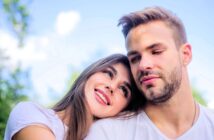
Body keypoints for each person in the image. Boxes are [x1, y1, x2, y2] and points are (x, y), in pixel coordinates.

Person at [85, 6, 214, 140]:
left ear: (185, 55)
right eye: (135, 58)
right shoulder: (107, 133)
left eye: (156, 51)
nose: (143, 65)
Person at [4, 54, 145, 140]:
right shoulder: (29, 113)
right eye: (108, 73)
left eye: (123, 89)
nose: (112, 87)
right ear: (89, 74)